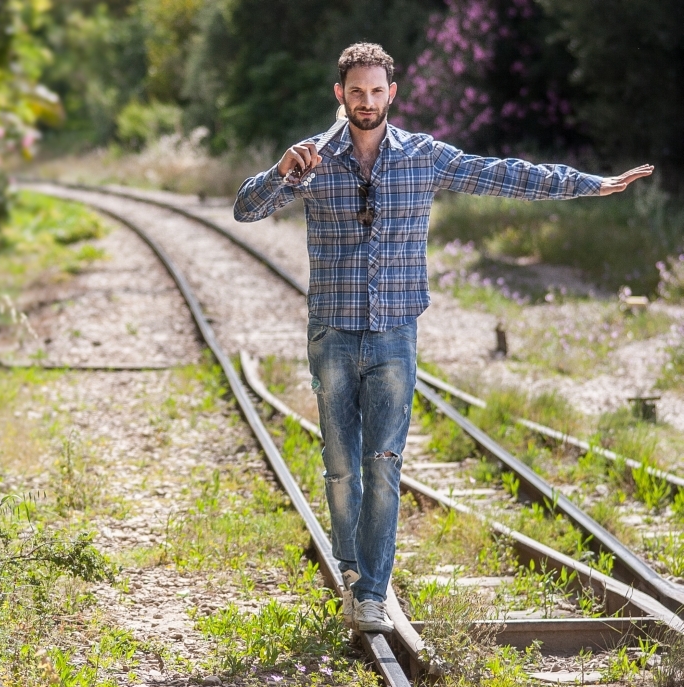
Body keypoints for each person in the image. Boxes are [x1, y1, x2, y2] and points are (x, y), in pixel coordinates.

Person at [232, 42, 654, 634]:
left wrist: (592, 184)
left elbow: (506, 175)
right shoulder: (312, 160)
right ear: (340, 96)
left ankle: (371, 593)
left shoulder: (422, 157)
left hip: (394, 337)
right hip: (331, 332)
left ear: (392, 94)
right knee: (340, 469)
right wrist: (279, 172)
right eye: (357, 92)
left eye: (377, 91)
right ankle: (351, 572)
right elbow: (245, 210)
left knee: (383, 464)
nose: (367, 102)